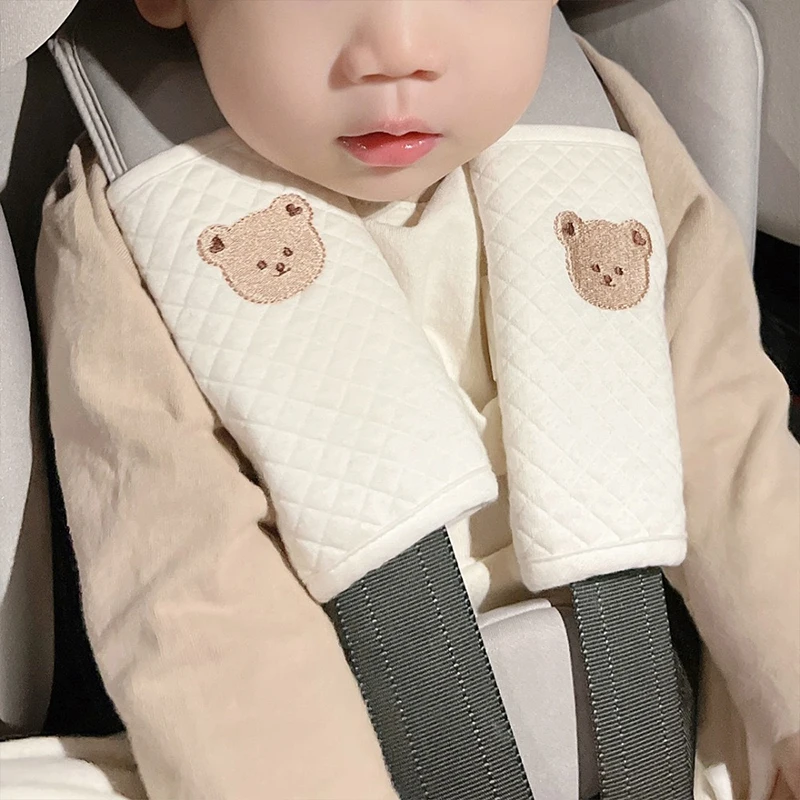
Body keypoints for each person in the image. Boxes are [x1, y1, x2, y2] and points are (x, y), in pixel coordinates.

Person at [35, 1, 799, 798]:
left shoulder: (601, 136)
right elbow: (196, 591)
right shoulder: (137, 225)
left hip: (659, 716)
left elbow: (730, 440)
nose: (398, 49)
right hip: (337, 738)